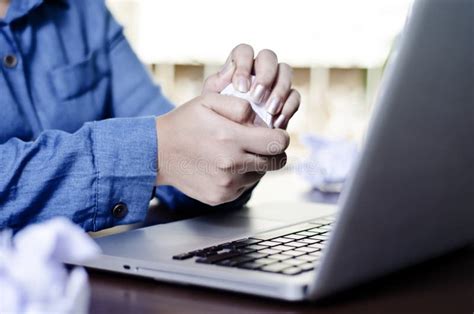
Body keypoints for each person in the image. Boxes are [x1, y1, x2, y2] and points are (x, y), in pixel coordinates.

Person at [0, 0, 300, 232]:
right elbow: (159, 144)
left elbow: (167, 136)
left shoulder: (83, 11)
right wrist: (154, 152)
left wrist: (227, 127)